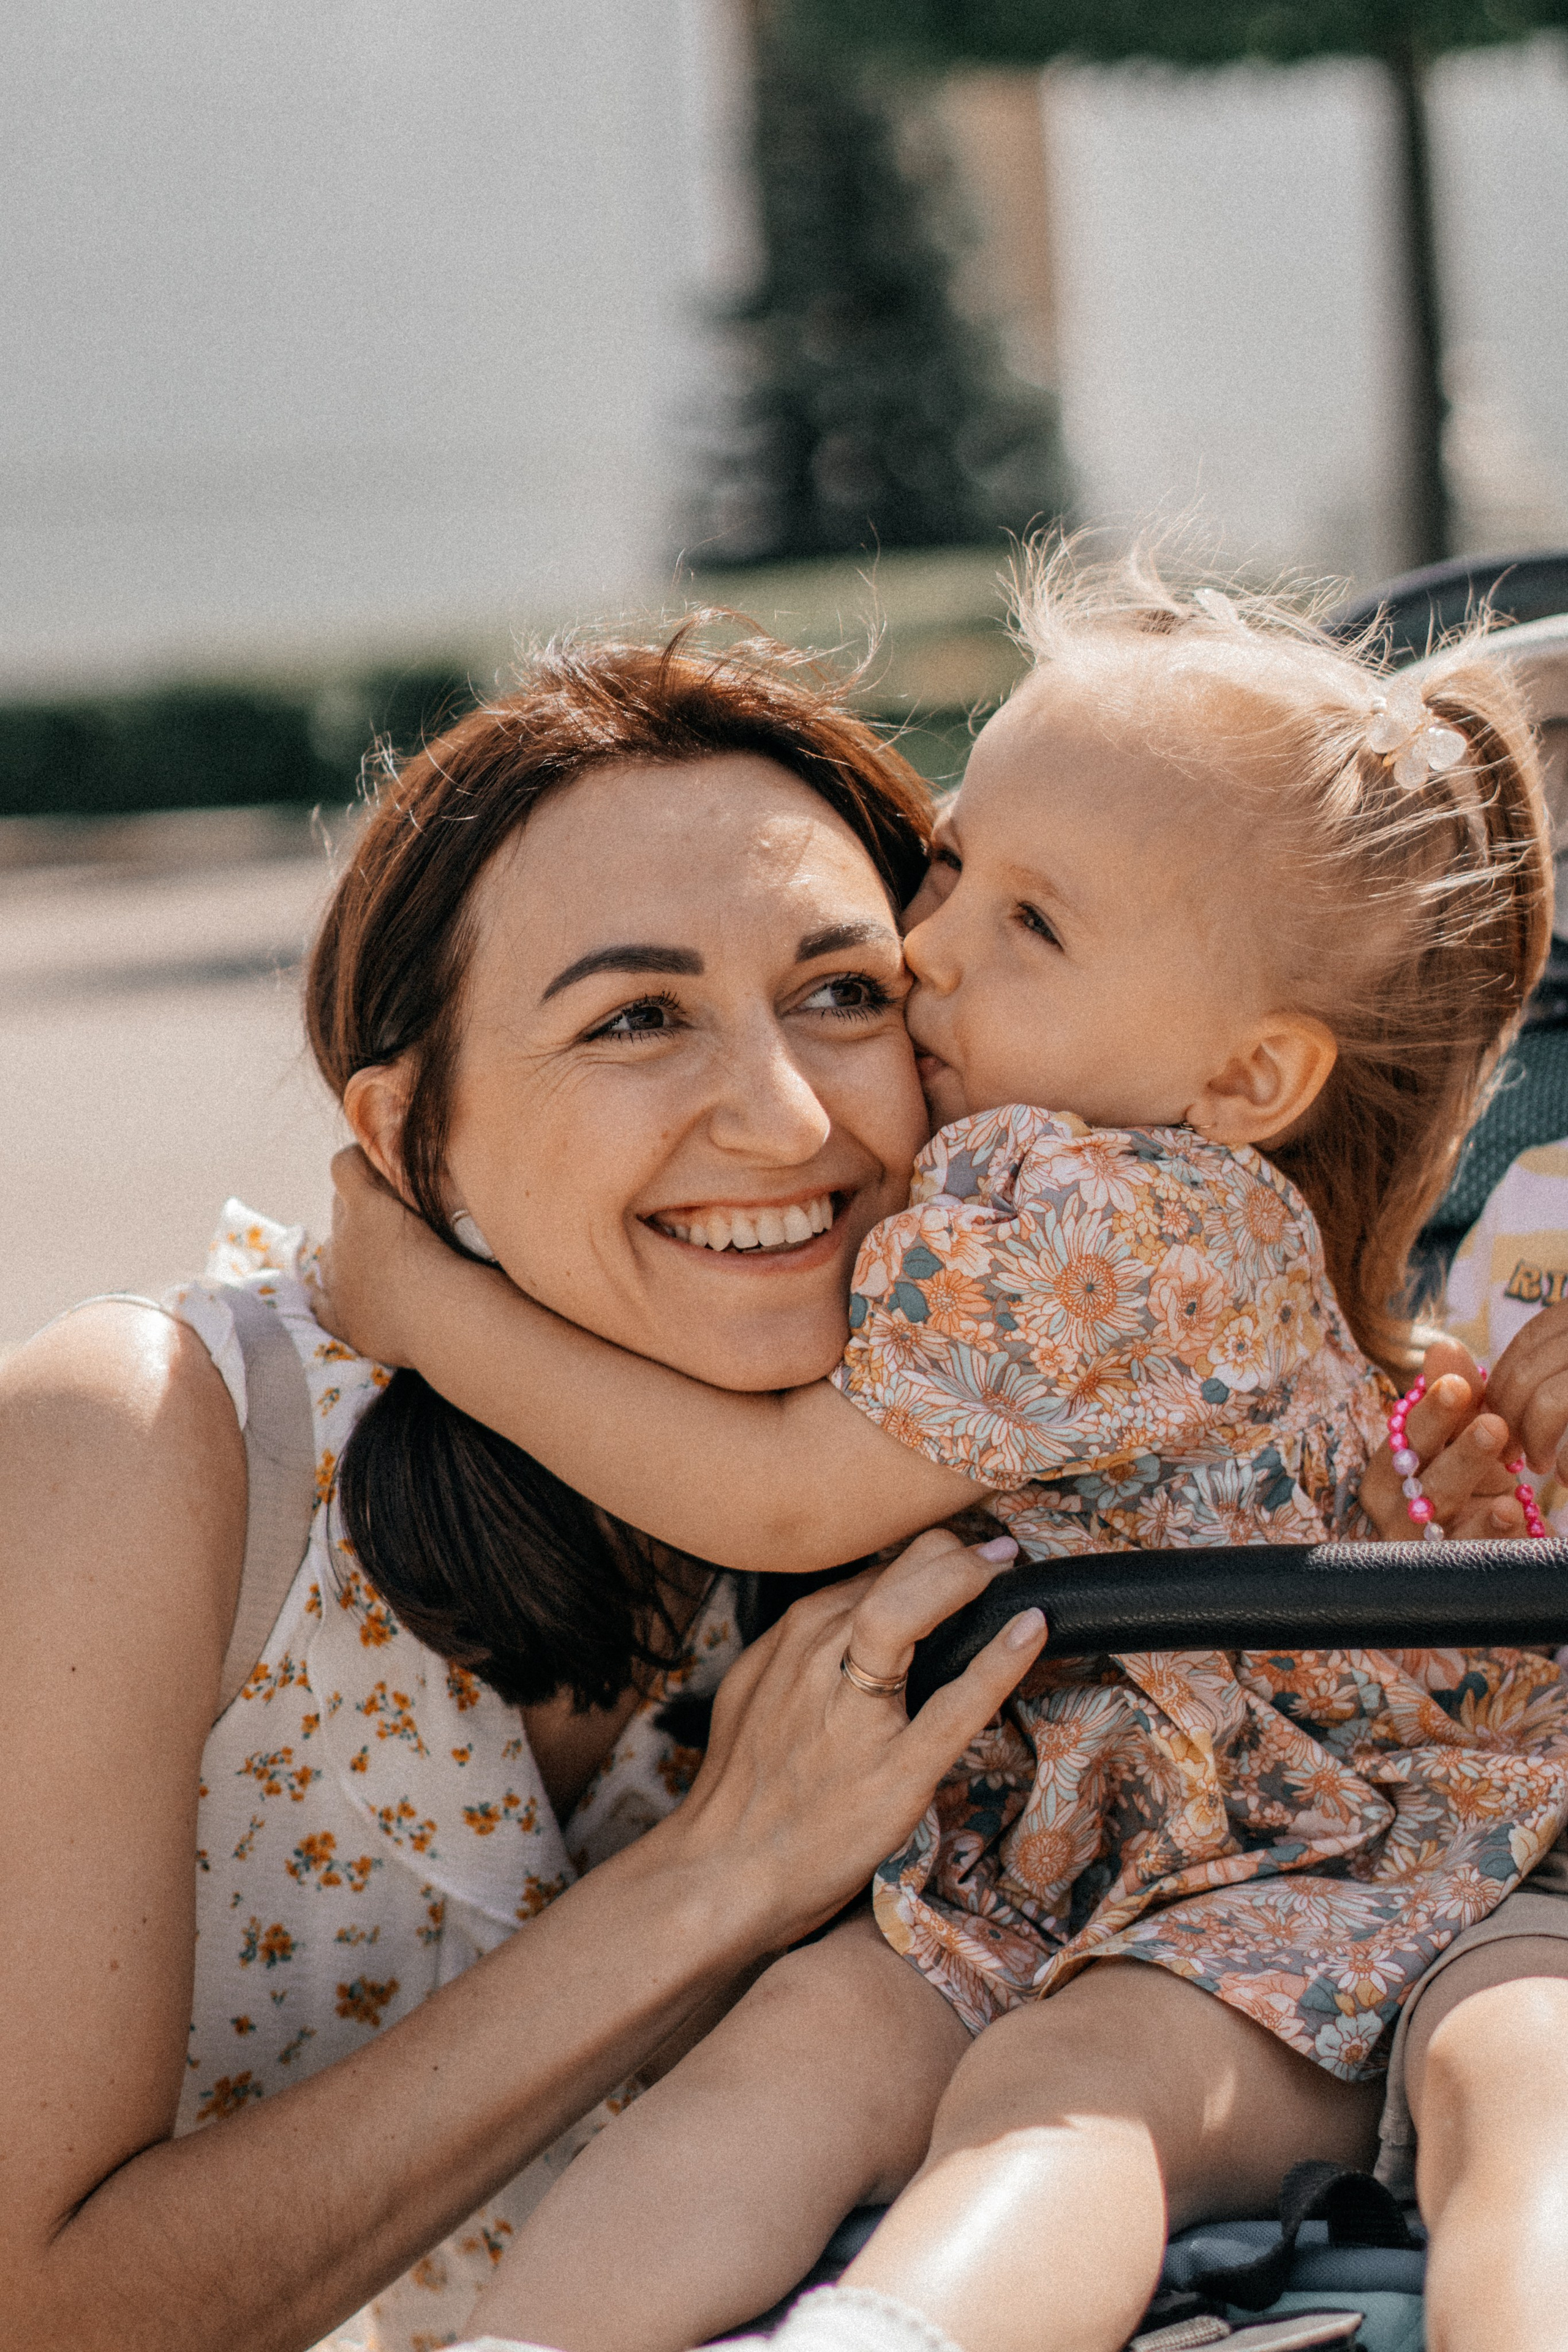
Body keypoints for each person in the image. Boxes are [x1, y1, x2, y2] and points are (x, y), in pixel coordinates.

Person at [320, 557, 1568, 2352]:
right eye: (957, 863)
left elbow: (775, 1492)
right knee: (800, 2050)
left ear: (1245, 1080)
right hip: (1071, 1837)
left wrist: (427, 1308)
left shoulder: (1103, 1215)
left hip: (1279, 1856)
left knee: (1046, 2095)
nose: (928, 945)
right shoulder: (1055, 1175)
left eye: (1033, 925)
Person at [0, 625, 1052, 2352]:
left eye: (846, 993)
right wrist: (719, 1875)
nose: (789, 1121)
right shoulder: (152, 1443)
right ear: (412, 1134)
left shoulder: (966, 1466)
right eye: (639, 1018)